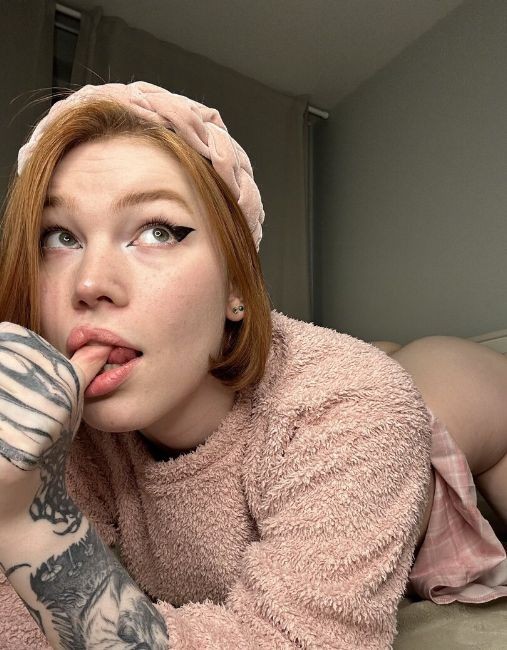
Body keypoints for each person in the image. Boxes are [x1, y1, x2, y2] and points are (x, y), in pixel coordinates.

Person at [0, 82, 504, 649]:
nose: (90, 283)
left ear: (237, 286)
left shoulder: (356, 403)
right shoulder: (54, 428)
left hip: (446, 393)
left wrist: (29, 522)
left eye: (157, 231)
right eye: (59, 237)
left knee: (412, 383)